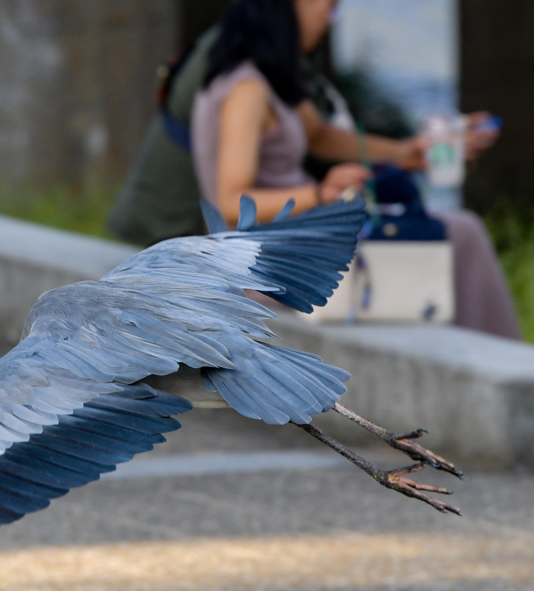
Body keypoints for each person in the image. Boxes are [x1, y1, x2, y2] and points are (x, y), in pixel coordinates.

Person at [190, 0, 520, 339]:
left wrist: (406, 153)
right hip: (274, 263)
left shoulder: (262, 77)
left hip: (297, 244)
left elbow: (319, 135)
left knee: (444, 230)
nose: (330, 20)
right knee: (462, 233)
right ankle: (510, 374)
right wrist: (320, 194)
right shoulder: (247, 91)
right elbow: (229, 201)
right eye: (329, 7)